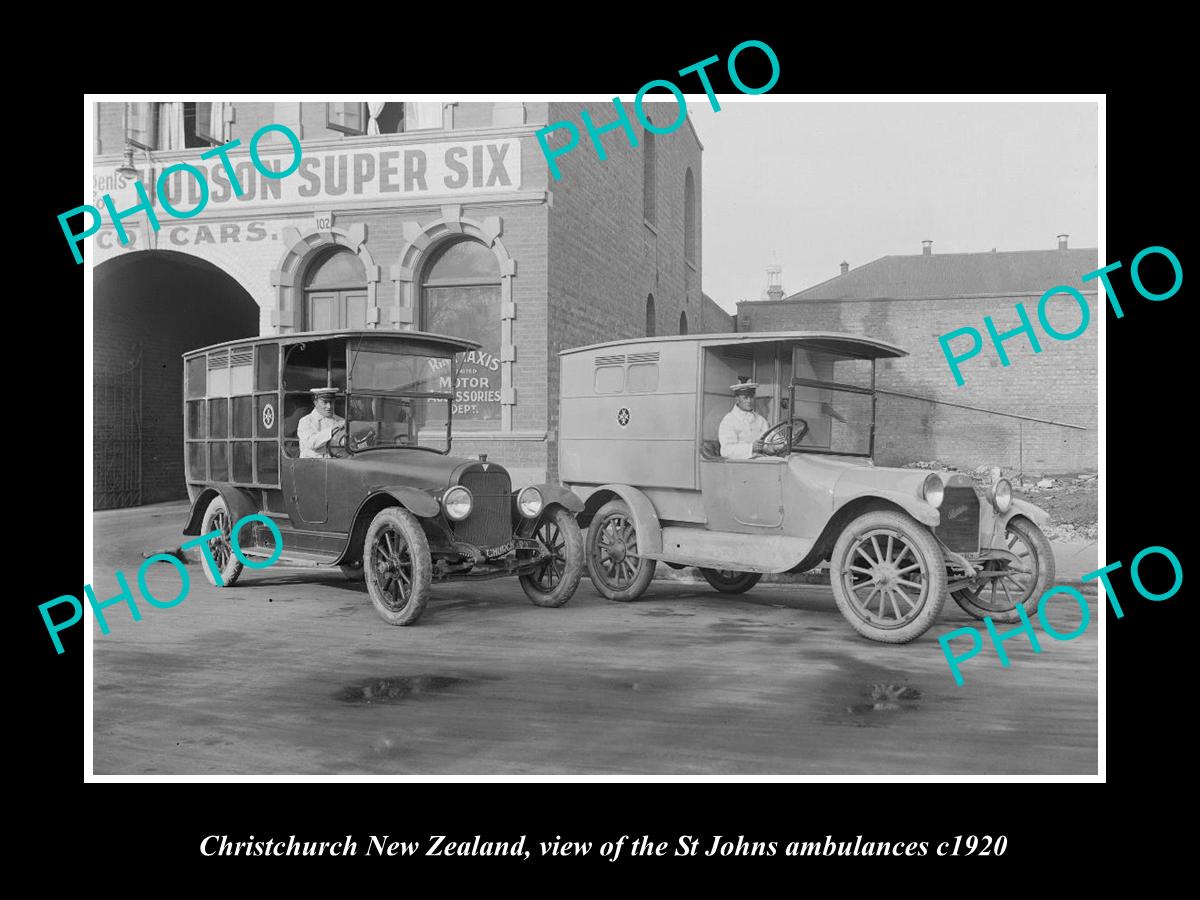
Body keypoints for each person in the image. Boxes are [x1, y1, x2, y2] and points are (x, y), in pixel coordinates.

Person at [719, 378, 770, 460]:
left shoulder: (761, 420)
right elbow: (726, 450)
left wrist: (782, 443)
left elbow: (771, 439)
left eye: (751, 397)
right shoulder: (729, 421)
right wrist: (751, 448)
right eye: (745, 398)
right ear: (737, 399)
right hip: (742, 464)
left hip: (762, 460)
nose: (749, 401)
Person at [297, 387, 349, 458]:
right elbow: (311, 443)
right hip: (312, 465)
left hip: (337, 465)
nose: (329, 406)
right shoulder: (306, 421)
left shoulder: (341, 421)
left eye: (331, 402)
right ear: (315, 402)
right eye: (325, 402)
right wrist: (331, 431)